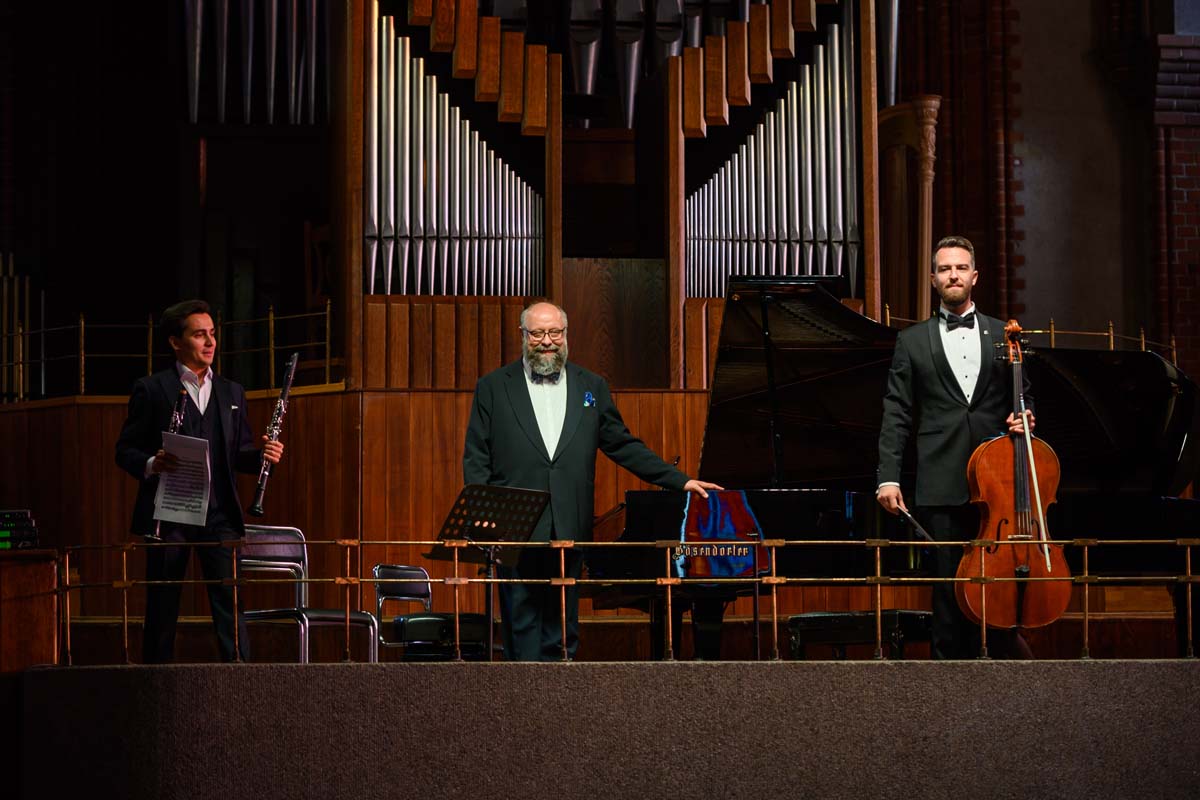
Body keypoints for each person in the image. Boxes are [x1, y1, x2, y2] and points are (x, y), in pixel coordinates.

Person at [463, 300, 722, 661]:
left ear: (566, 334)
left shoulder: (592, 387)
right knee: (520, 630)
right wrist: (485, 517)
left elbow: (624, 445)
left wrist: (679, 481)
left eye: (555, 332)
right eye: (538, 333)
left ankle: (562, 709)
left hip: (570, 527)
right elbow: (476, 458)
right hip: (515, 529)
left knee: (563, 631)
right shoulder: (492, 387)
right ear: (523, 336)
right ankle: (522, 709)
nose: (547, 341)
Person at [876, 236, 1033, 659]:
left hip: (998, 484)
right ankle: (947, 690)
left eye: (960, 268)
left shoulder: (1005, 334)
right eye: (945, 269)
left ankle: (1004, 674)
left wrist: (1025, 416)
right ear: (933, 278)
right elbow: (897, 413)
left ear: (974, 276)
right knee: (946, 591)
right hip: (941, 480)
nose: (953, 275)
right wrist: (888, 476)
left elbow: (1023, 398)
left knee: (999, 584)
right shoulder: (911, 341)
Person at [115, 299, 284, 663]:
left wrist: (262, 456)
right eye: (199, 335)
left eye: (212, 334)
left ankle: (239, 677)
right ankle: (156, 680)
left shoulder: (232, 392)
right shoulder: (151, 389)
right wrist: (151, 463)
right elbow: (124, 450)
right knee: (162, 604)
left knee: (230, 599)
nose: (210, 343)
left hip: (219, 514)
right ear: (176, 342)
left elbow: (239, 453)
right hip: (170, 514)